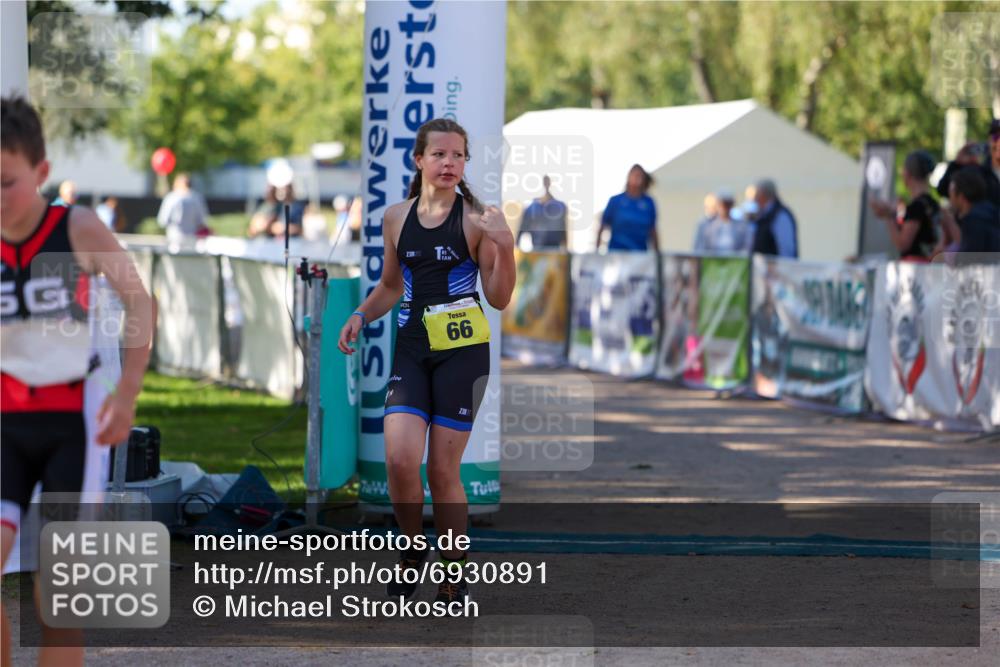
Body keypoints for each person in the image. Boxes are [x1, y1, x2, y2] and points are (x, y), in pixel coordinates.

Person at [1, 95, 153, 667]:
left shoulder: (78, 228)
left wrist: (128, 393)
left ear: (40, 173)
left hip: (73, 419)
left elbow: (141, 300)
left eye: (6, 181)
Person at [338, 118, 515, 609]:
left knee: (441, 472)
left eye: (458, 155)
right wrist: (359, 314)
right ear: (419, 160)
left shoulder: (477, 219)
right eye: (439, 154)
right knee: (398, 458)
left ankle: (453, 572)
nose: (449, 163)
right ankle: (414, 547)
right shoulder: (396, 217)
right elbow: (391, 285)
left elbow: (498, 299)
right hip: (412, 350)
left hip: (463, 355)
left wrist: (506, 245)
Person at [869, 151, 940, 262]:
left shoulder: (917, 207)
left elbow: (903, 244)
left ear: (907, 174)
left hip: (916, 268)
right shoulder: (933, 204)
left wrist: (888, 216)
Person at [596, 164, 659, 252]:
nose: (636, 178)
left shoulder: (648, 203)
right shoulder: (615, 201)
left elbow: (653, 230)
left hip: (640, 255)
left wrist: (657, 256)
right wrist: (596, 250)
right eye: (634, 175)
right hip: (616, 254)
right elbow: (603, 225)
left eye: (639, 176)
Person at [949, 166, 1000, 254]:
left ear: (961, 197)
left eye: (951, 195)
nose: (950, 201)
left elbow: (968, 262)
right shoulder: (992, 213)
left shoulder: (973, 221)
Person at [517, 175, 567, 251]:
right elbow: (521, 230)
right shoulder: (531, 208)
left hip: (554, 252)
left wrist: (565, 250)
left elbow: (563, 230)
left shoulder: (560, 207)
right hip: (537, 250)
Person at [751, 179, 798, 258]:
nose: (755, 199)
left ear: (763, 194)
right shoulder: (762, 215)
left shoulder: (780, 215)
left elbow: (786, 249)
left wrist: (783, 269)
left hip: (778, 268)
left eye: (756, 195)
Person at [156, 172, 209, 242]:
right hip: (192, 239)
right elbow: (202, 220)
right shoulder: (197, 198)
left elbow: (163, 220)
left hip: (174, 238)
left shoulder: (171, 198)